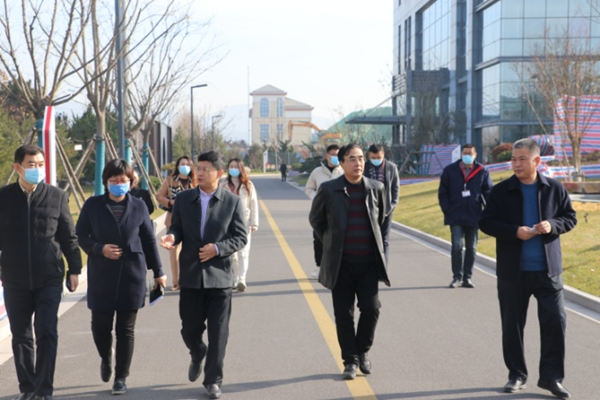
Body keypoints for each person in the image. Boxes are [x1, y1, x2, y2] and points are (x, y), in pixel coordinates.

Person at [479, 139, 576, 398]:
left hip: (548, 272)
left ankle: (552, 378)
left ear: (537, 161)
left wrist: (552, 225)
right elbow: (486, 223)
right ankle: (517, 375)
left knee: (555, 322)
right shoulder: (501, 191)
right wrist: (514, 232)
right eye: (513, 159)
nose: (516, 163)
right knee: (512, 325)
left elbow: (570, 217)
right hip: (514, 273)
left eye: (522, 159)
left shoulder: (554, 188)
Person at [160, 151, 247, 400]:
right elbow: (176, 228)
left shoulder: (232, 202)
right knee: (189, 329)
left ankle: (214, 381)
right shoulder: (185, 199)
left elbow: (241, 237)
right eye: (197, 167)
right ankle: (197, 352)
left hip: (219, 278)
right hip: (190, 275)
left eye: (205, 168)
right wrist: (171, 237)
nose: (198, 172)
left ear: (219, 174)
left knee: (219, 332)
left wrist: (218, 248)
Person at [75, 159, 166, 395]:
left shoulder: (139, 206)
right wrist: (98, 248)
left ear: (131, 181)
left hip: (132, 273)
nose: (118, 184)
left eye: (123, 180)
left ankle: (121, 377)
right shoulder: (93, 205)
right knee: (100, 326)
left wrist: (158, 272)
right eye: (114, 180)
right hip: (102, 273)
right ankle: (105, 356)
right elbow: (80, 234)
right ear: (106, 182)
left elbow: (148, 240)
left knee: (126, 329)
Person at [0, 145, 82, 400]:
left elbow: (69, 236)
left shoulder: (56, 196)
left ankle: (44, 389)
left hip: (49, 276)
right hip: (15, 278)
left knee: (46, 331)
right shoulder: (3, 197)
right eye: (31, 164)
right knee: (21, 336)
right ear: (18, 167)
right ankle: (28, 387)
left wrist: (75, 269)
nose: (36, 169)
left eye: (39, 164)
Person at [309, 143, 389, 380]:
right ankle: (350, 360)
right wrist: (331, 242)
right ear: (341, 163)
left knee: (372, 309)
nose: (358, 163)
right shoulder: (328, 189)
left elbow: (381, 220)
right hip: (341, 264)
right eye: (352, 158)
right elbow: (316, 220)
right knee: (344, 314)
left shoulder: (376, 188)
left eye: (361, 158)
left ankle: (362, 351)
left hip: (368, 264)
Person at [438, 143, 493, 288]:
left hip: (474, 214)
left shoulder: (482, 171)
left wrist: (489, 211)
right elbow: (442, 193)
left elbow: (488, 192)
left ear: (475, 155)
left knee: (471, 248)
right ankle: (457, 276)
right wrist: (447, 210)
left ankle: (467, 277)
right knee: (457, 245)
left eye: (470, 153)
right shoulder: (450, 170)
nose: (467, 156)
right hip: (455, 215)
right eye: (465, 153)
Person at [156, 156, 197, 290]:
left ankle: (190, 279)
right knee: (174, 253)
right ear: (177, 166)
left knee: (192, 251)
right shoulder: (169, 181)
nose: (184, 166)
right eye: (182, 164)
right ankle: (176, 281)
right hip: (174, 219)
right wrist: (170, 202)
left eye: (187, 164)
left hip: (192, 220)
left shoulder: (195, 182)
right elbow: (159, 196)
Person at [304, 144, 343, 279]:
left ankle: (338, 267)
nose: (335, 157)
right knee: (319, 239)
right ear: (327, 155)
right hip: (320, 212)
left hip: (339, 212)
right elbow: (308, 188)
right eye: (333, 154)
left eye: (338, 155)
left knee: (338, 239)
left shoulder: (343, 171)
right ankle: (319, 267)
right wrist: (318, 199)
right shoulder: (317, 172)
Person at [222, 158, 259, 292]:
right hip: (227, 224)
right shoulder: (223, 185)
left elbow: (253, 203)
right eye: (231, 166)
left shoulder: (248, 185)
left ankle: (242, 279)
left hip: (244, 223)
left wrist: (254, 223)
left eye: (236, 167)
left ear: (241, 169)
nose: (233, 169)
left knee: (243, 252)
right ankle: (235, 278)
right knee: (232, 254)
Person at [363, 144, 400, 263]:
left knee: (384, 240)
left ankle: (383, 268)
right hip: (368, 209)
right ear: (369, 156)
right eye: (373, 157)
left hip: (386, 210)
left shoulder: (391, 167)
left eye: (378, 157)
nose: (376, 160)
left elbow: (396, 188)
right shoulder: (364, 166)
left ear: (383, 154)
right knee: (369, 239)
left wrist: (392, 205)